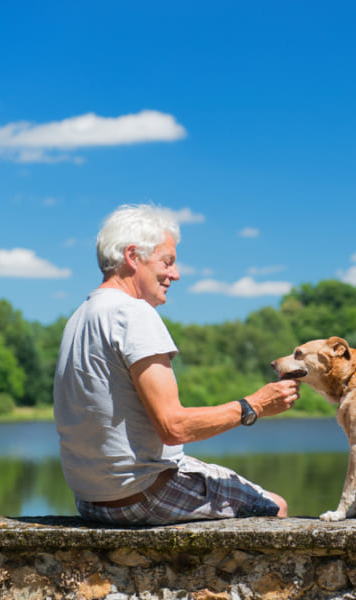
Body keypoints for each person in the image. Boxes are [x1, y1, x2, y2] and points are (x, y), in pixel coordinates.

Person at [53, 204, 300, 525]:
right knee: (274, 506)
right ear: (132, 257)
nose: (176, 273)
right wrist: (254, 405)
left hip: (91, 501)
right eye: (167, 262)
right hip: (141, 496)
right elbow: (173, 428)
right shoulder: (133, 313)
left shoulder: (79, 316)